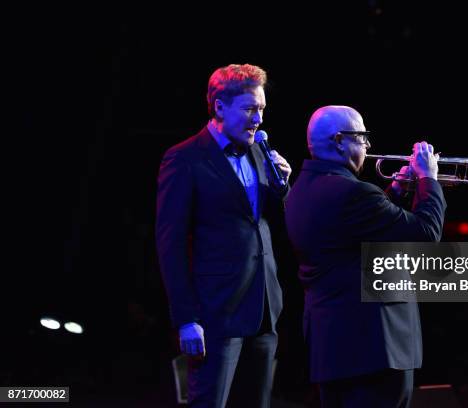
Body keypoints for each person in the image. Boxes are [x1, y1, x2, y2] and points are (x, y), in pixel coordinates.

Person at [284, 105, 446, 407]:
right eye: (361, 137)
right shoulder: (353, 193)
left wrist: (394, 192)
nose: (368, 145)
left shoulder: (300, 191)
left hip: (333, 351)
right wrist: (428, 180)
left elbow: (349, 235)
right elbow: (426, 234)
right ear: (338, 141)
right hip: (374, 351)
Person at [156, 64, 291, 407]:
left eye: (261, 109)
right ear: (219, 107)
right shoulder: (184, 158)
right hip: (216, 313)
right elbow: (170, 244)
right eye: (249, 110)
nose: (258, 119)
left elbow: (261, 222)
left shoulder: (260, 150)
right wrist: (185, 319)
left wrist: (283, 188)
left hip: (262, 308)